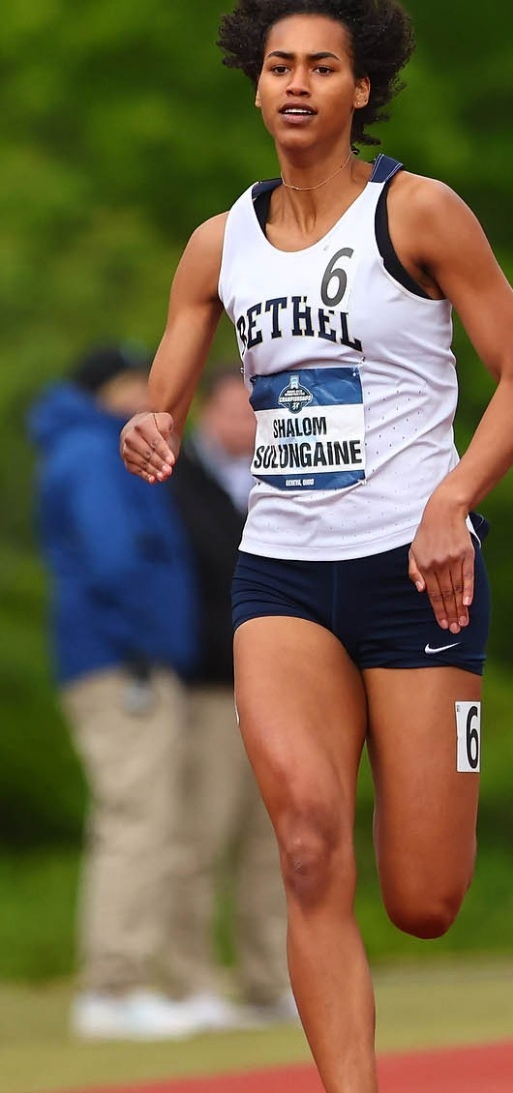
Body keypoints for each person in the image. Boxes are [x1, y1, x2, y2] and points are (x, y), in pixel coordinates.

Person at [120, 0, 513, 1088]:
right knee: (308, 843)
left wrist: (452, 501)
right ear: (256, 91)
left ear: (361, 86)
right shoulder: (221, 242)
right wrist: (153, 426)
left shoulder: (417, 212)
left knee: (422, 899)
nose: (297, 83)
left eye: (320, 65)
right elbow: (166, 382)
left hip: (417, 573)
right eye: (279, 67)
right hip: (283, 576)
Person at [31, 346, 204, 1041]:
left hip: (124, 658)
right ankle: (114, 989)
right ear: (108, 390)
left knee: (144, 819)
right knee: (135, 819)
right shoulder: (93, 452)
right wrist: (144, 647)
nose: (147, 394)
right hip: (121, 663)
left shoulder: (94, 448)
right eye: (137, 382)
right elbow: (114, 560)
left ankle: (128, 981)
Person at [164, 366, 294, 1029]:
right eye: (234, 410)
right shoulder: (177, 484)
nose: (246, 422)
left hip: (280, 688)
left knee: (275, 841)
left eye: (255, 411)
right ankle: (188, 982)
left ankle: (268, 982)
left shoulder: (287, 477)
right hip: (212, 688)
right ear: (209, 414)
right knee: (200, 837)